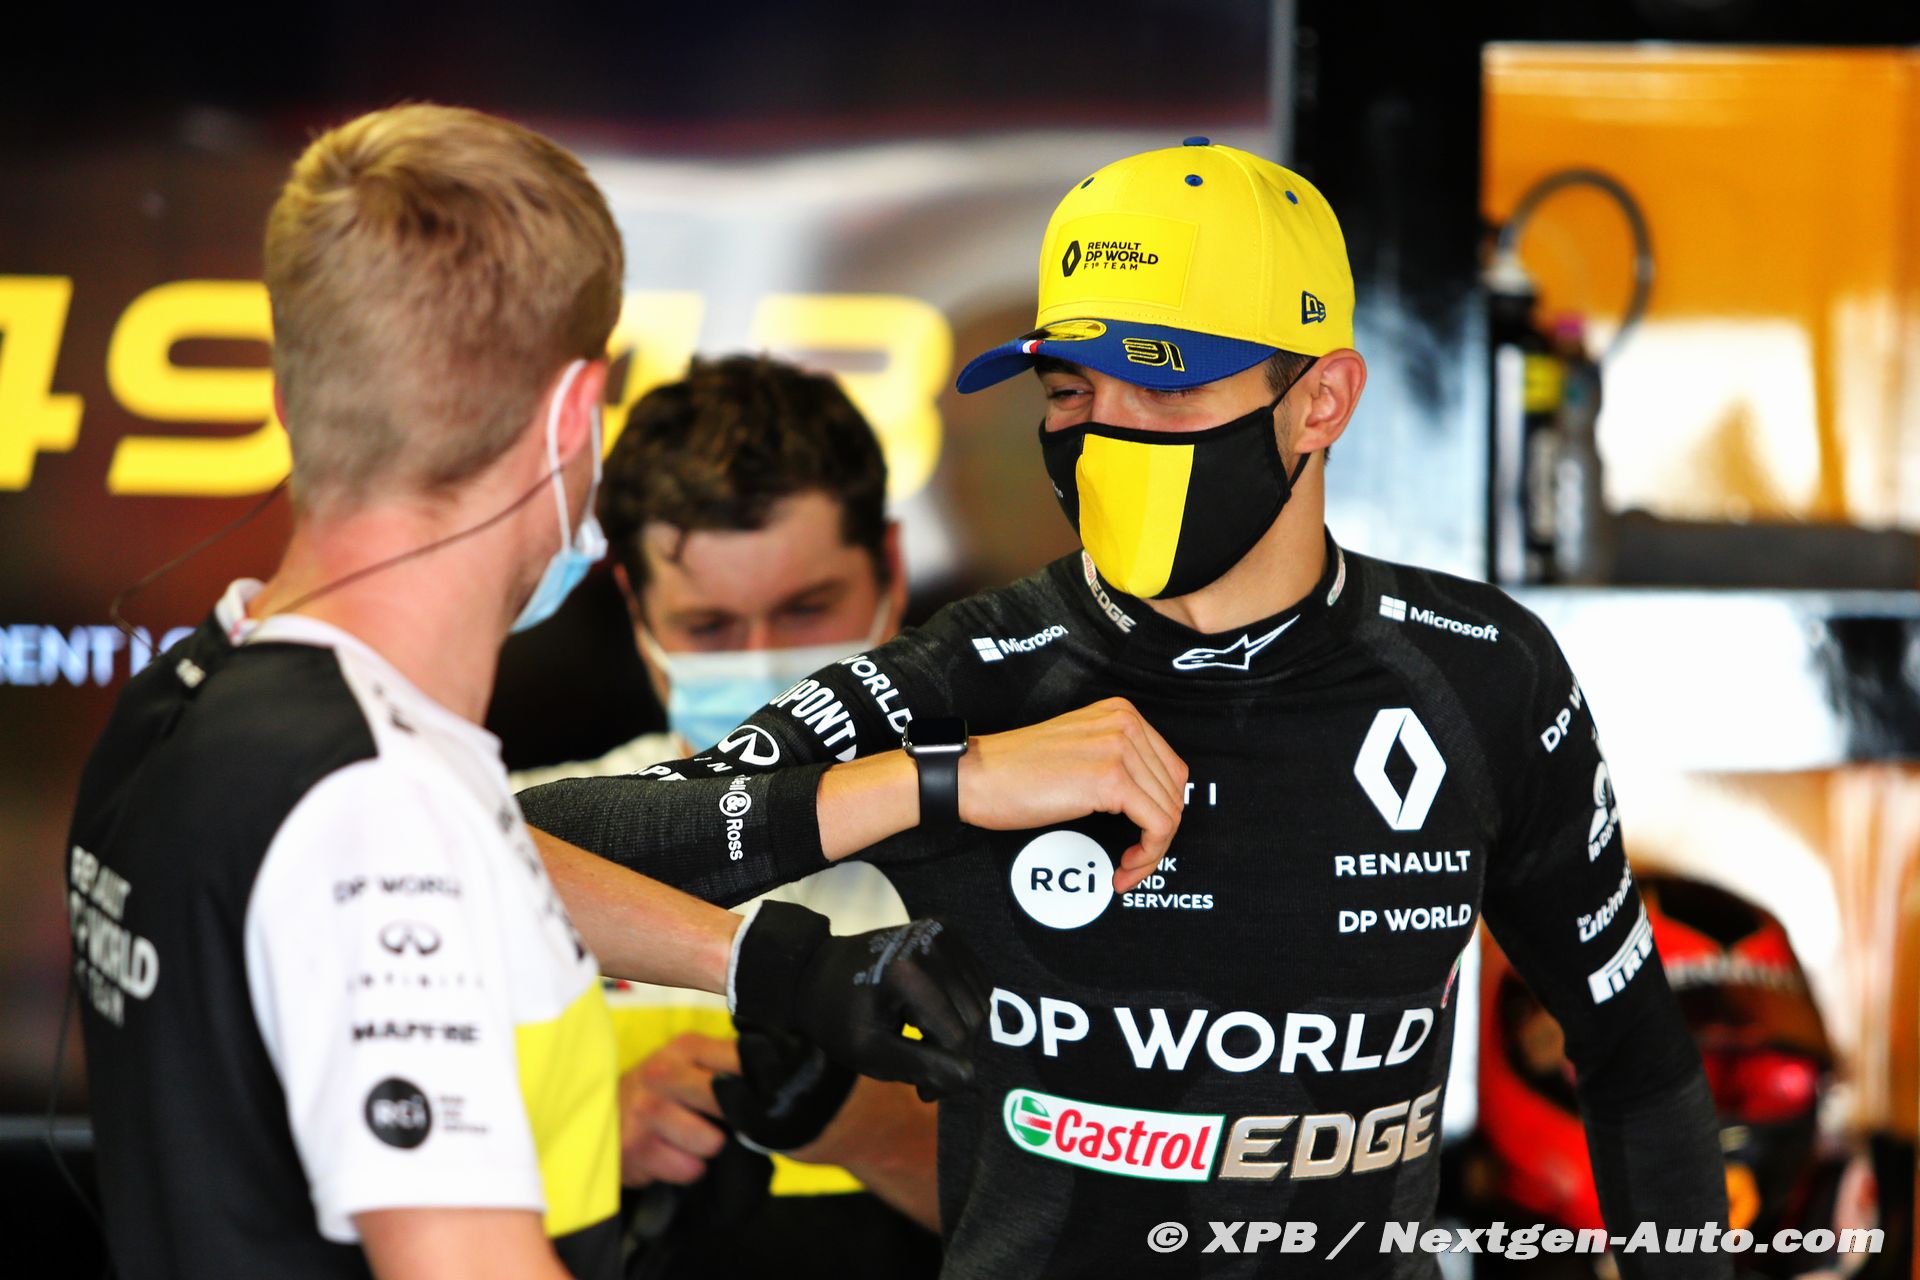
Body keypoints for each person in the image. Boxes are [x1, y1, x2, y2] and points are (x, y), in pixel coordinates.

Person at [520, 138, 1730, 1277]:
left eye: (1163, 385)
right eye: (1070, 389)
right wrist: (949, 781)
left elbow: (1635, 1057)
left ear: (1321, 400)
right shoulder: (975, 675)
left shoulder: (1482, 673)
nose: (1107, 435)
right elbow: (514, 851)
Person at [64, 104, 991, 1280]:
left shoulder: (191, 700)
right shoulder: (374, 798)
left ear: (295, 392)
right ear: (570, 421)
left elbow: (486, 849)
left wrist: (758, 959)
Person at [512, 354, 940, 1274]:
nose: (763, 664)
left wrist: (862, 1126)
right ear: (636, 610)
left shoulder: (1029, 854)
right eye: (709, 628)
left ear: (893, 570)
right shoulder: (514, 837)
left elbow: (1118, 1232)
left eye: (807, 609)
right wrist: (591, 1142)